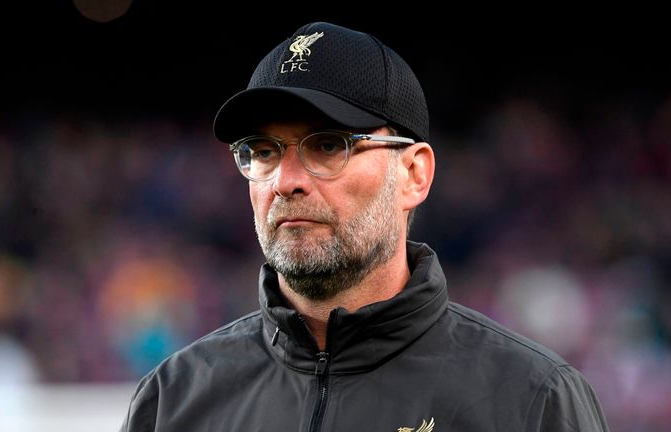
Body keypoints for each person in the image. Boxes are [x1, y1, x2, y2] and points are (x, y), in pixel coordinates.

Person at [121, 22, 609, 431]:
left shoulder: (531, 399)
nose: (285, 181)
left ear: (414, 174)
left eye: (328, 145)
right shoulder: (172, 401)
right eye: (264, 152)